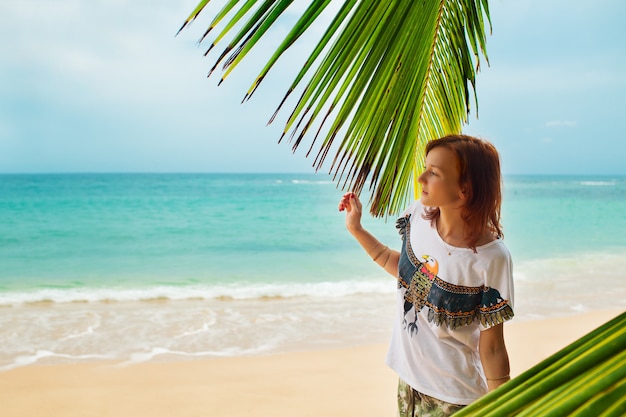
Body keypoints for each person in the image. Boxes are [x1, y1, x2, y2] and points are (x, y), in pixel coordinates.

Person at [338, 134, 514, 416]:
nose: (421, 178)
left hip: (454, 399)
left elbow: (492, 347)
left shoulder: (491, 258)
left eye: (434, 173)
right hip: (408, 383)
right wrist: (356, 229)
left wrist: (504, 408)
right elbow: (403, 271)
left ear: (464, 190)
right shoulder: (420, 215)